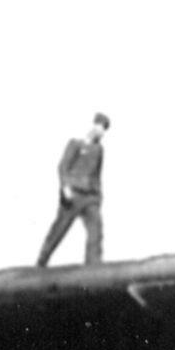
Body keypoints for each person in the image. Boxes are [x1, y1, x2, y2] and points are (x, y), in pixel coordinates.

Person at [36, 113, 110, 266]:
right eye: (100, 127)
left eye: (104, 129)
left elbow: (97, 174)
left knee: (96, 231)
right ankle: (41, 261)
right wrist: (65, 188)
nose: (102, 132)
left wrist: (98, 197)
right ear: (94, 126)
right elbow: (63, 167)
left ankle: (93, 265)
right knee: (59, 229)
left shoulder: (99, 150)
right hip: (73, 195)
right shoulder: (76, 144)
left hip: (90, 197)